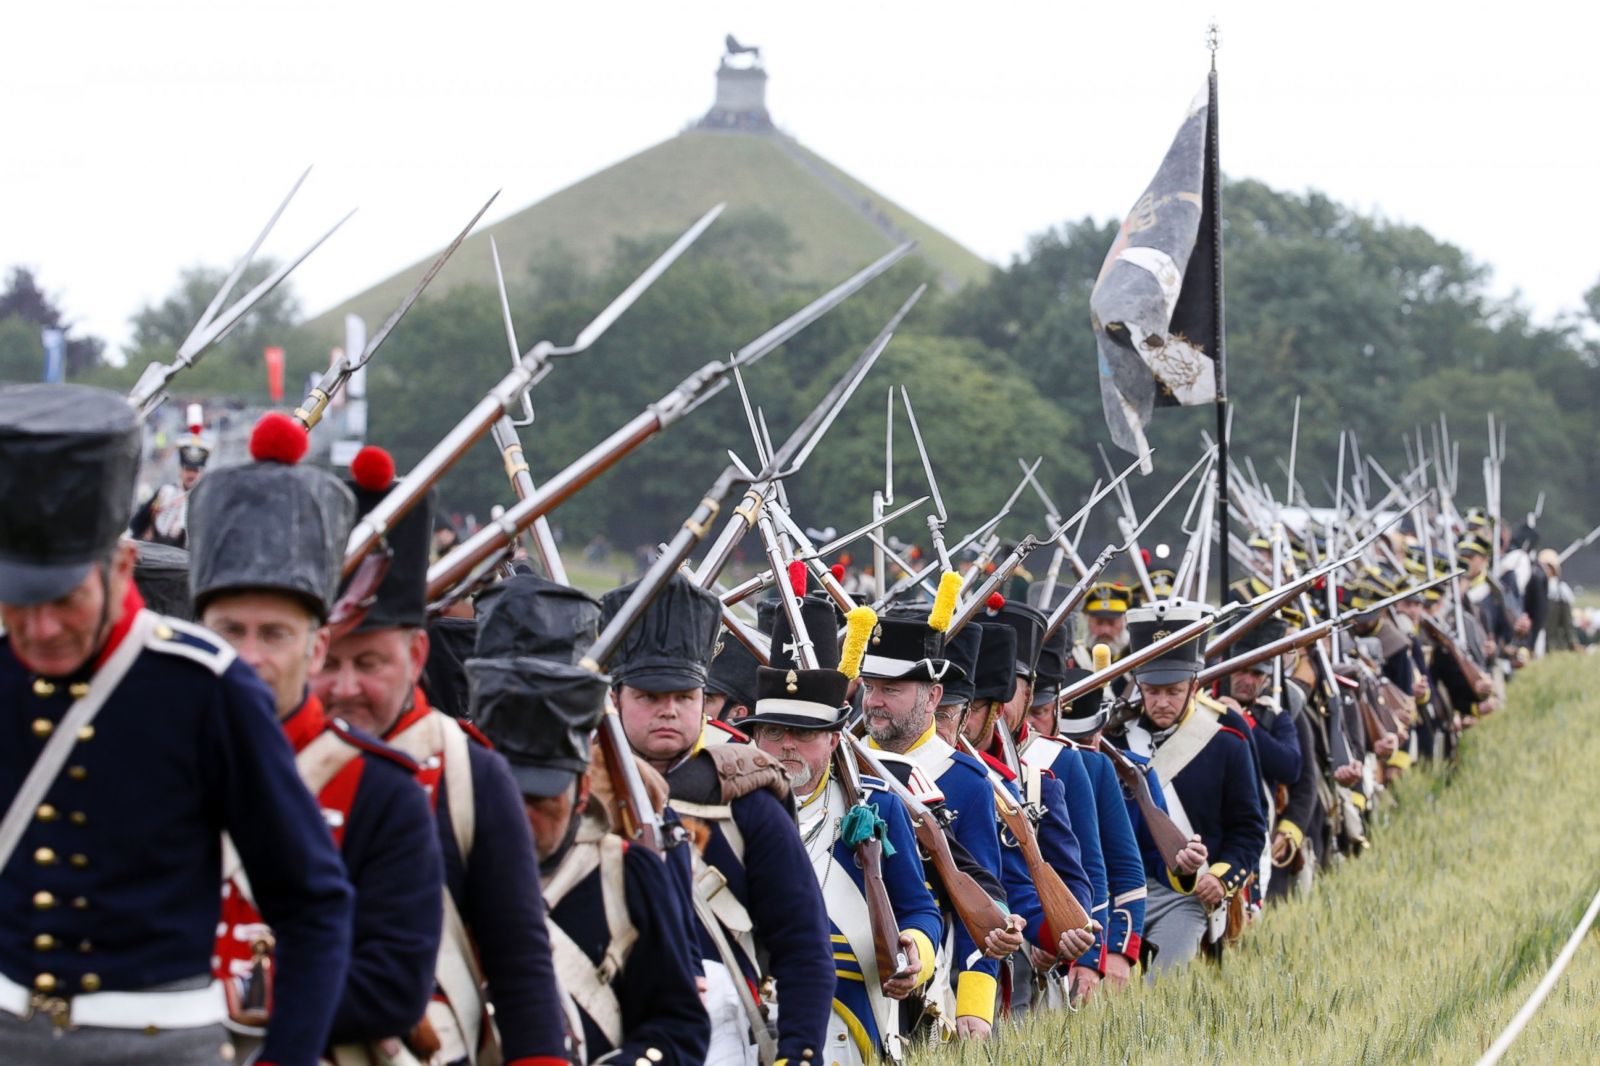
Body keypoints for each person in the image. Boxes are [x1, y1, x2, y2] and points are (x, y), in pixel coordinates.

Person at [0, 384, 353, 1064]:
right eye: (19, 602)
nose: (40, 629)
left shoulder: (207, 687)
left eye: (65, 601)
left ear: (121, 566)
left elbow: (312, 905)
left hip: (160, 1045)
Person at [187, 412, 444, 1059]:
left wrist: (222, 1005)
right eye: (229, 632)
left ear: (316, 644)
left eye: (273, 634)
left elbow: (394, 986)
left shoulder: (382, 790)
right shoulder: (145, 762)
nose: (249, 658)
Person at [313, 446, 568, 1066]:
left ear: (416, 656)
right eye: (332, 662)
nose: (346, 688)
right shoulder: (259, 755)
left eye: (369, 663)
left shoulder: (470, 773)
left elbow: (520, 966)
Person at [465, 580, 709, 1065]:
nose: (523, 813)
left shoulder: (627, 873)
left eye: (542, 796)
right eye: (511, 792)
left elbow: (679, 1026)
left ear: (579, 792)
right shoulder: (440, 860)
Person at [602, 572, 833, 1066]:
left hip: (718, 1039)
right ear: (616, 698)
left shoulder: (746, 797)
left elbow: (802, 945)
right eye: (648, 696)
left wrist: (799, 1052)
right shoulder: (583, 796)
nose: (668, 711)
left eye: (684, 697)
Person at [746, 663, 942, 1065]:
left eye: (803, 733)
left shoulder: (877, 806)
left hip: (845, 1027)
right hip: (745, 1021)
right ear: (754, 737)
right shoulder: (727, 810)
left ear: (835, 740)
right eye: (774, 731)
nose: (787, 745)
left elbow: (920, 910)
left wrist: (913, 953)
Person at [860, 613, 1029, 1041]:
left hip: (929, 968)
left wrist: (974, 1001)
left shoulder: (966, 781)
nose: (873, 701)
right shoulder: (845, 763)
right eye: (869, 687)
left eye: (890, 689)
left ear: (933, 697)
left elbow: (979, 892)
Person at [1106, 599, 1266, 974]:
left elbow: (1248, 830)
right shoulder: (1113, 742)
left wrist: (1220, 877)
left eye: (1173, 691)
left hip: (1187, 893)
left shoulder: (1225, 743)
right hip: (1117, 890)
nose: (1161, 702)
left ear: (1194, 686)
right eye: (1152, 690)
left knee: (1168, 987)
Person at [128, 403, 210, 549]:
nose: (191, 475)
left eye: (195, 471)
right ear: (181, 469)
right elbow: (138, 524)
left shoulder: (207, 497)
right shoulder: (165, 494)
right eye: (188, 470)